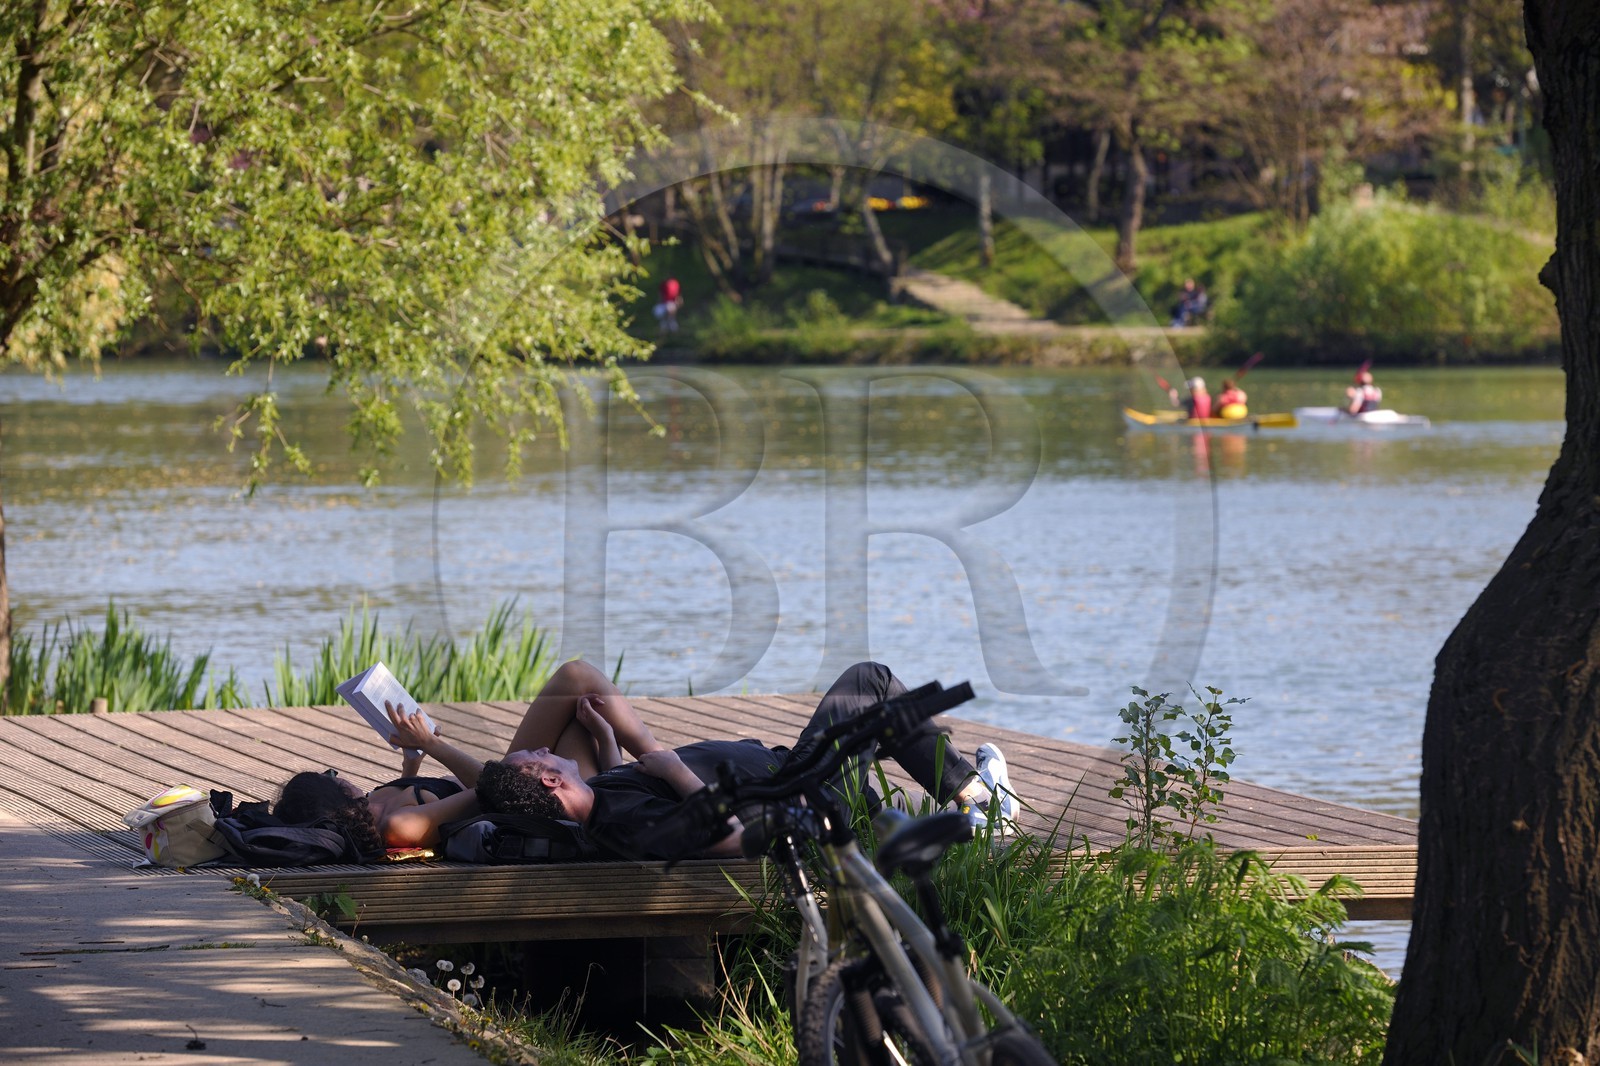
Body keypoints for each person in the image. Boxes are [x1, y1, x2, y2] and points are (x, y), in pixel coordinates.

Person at [474, 661, 1021, 862]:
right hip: (794, 790)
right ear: (549, 778)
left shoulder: (601, 805)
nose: (547, 748)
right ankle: (981, 800)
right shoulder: (627, 826)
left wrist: (603, 736)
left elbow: (620, 785)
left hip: (783, 774)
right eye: (541, 754)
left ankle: (973, 796)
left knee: (881, 719)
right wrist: (669, 767)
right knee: (870, 683)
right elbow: (733, 836)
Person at [274, 660, 664, 851]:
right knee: (576, 681)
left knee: (580, 702)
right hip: (532, 801)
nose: (337, 773)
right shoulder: (396, 828)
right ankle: (658, 767)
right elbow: (496, 793)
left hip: (516, 783)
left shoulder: (374, 805)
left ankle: (649, 770)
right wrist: (434, 745)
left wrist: (412, 760)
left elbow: (437, 788)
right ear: (334, 796)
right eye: (329, 775)